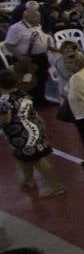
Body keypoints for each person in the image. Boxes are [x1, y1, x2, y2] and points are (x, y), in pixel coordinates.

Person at [0, 68, 64, 198]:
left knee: (37, 159)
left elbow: (5, 119)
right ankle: (29, 180)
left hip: (22, 134)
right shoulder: (23, 93)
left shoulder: (4, 100)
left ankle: (57, 187)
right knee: (23, 157)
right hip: (34, 127)